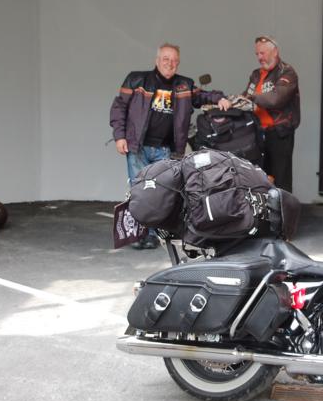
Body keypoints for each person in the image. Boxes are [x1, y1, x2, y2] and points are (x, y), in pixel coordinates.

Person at [109, 42, 226, 249]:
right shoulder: (136, 80)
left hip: (165, 150)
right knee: (139, 192)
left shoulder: (184, 85)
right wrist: (119, 136)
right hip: (138, 148)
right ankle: (139, 235)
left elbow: (203, 96)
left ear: (178, 63)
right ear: (157, 60)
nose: (169, 64)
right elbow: (119, 107)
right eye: (165, 59)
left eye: (174, 61)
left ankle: (154, 234)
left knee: (160, 194)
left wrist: (220, 98)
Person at [219, 35, 300, 192]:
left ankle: (283, 208)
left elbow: (275, 99)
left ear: (275, 52)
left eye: (262, 53)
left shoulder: (287, 72)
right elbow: (246, 95)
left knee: (281, 179)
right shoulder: (256, 74)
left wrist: (251, 97)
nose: (259, 57)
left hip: (279, 133)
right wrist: (230, 101)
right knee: (260, 177)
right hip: (257, 132)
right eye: (257, 54)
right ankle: (263, 207)